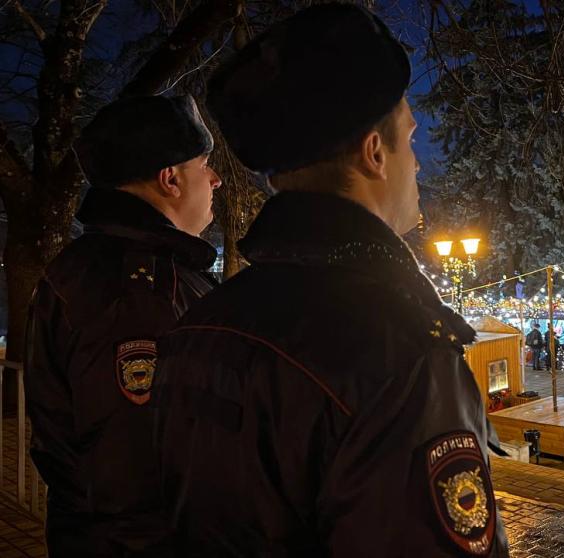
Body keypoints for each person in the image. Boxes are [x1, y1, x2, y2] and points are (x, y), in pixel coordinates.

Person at [152, 5, 509, 556]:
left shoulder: (203, 321)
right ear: (374, 153)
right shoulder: (401, 353)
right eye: (409, 141)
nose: (417, 166)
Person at [24, 95, 221, 556]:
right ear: (170, 178)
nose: (215, 180)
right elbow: (133, 477)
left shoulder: (101, 267)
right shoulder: (139, 296)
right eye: (204, 164)